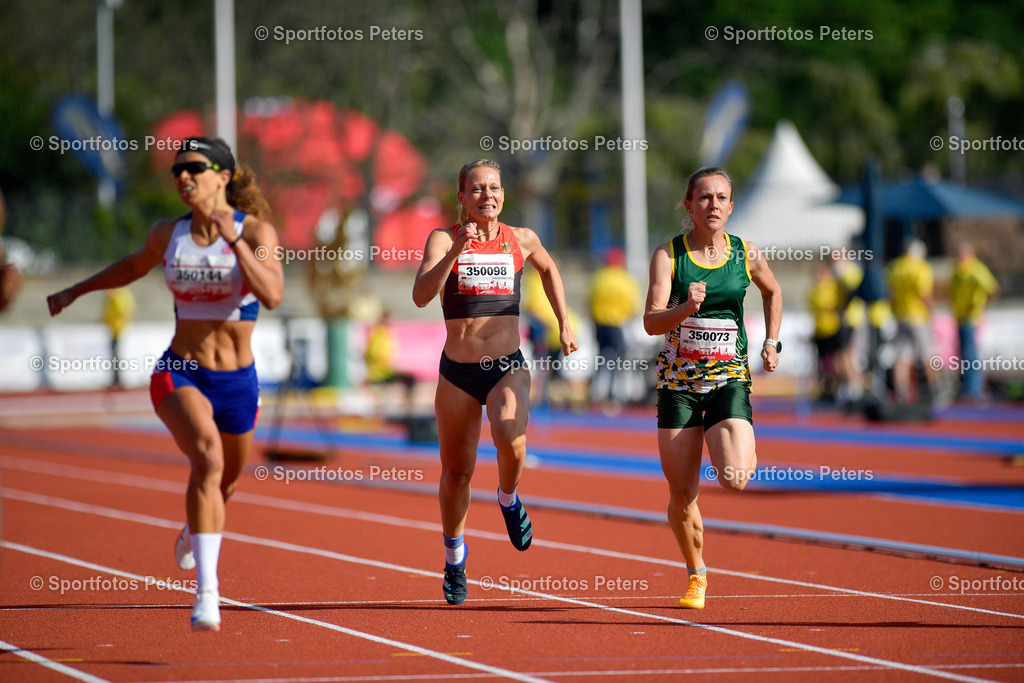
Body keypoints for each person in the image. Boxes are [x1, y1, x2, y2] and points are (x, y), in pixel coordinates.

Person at [47, 137, 283, 631]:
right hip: (181, 370)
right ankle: (208, 595)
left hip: (238, 381)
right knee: (207, 457)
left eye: (194, 168)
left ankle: (193, 530)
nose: (183, 178)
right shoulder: (166, 234)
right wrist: (74, 290)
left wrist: (233, 240)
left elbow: (274, 294)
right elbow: (133, 266)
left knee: (227, 481)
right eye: (177, 170)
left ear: (223, 176)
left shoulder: (257, 231)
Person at [412, 159, 578, 605]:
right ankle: (454, 558)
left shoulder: (520, 239)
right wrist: (453, 254)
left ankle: (508, 498)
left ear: (503, 195)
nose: (488, 196)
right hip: (457, 372)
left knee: (511, 437)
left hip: (506, 364)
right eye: (478, 190)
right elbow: (421, 295)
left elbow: (550, 270)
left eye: (495, 188)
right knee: (457, 473)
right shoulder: (444, 238)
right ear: (462, 198)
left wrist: (564, 322)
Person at [643, 166, 781, 610]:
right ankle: (697, 574)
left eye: (722, 198)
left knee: (736, 478)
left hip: (727, 379)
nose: (714, 205)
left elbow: (773, 292)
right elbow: (650, 322)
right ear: (689, 204)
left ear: (731, 206)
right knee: (682, 494)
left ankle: (744, 445)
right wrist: (685, 307)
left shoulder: (746, 253)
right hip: (679, 387)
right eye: (704, 198)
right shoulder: (668, 255)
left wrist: (772, 342)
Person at [589, 246, 642, 410]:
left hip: (599, 324)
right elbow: (633, 307)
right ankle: (616, 396)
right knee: (619, 362)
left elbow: (589, 302)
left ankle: (595, 395)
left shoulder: (598, 278)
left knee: (601, 360)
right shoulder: (626, 280)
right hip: (618, 325)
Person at [950, 241, 999, 401]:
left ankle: (974, 389)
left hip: (971, 318)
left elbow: (992, 289)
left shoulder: (977, 269)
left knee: (971, 355)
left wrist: (981, 308)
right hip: (960, 318)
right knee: (964, 355)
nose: (959, 257)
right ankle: (967, 388)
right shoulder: (958, 271)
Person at [887, 238, 934, 404]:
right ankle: (933, 391)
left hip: (901, 316)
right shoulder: (920, 268)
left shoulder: (895, 267)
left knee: (902, 356)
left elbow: (890, 293)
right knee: (927, 354)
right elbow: (924, 294)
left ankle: (901, 392)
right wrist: (931, 312)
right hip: (918, 317)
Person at [363, 309, 417, 412]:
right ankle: (407, 408)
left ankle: (406, 406)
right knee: (410, 380)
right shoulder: (378, 334)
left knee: (409, 379)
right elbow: (375, 354)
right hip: (380, 372)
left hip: (384, 370)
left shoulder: (385, 333)